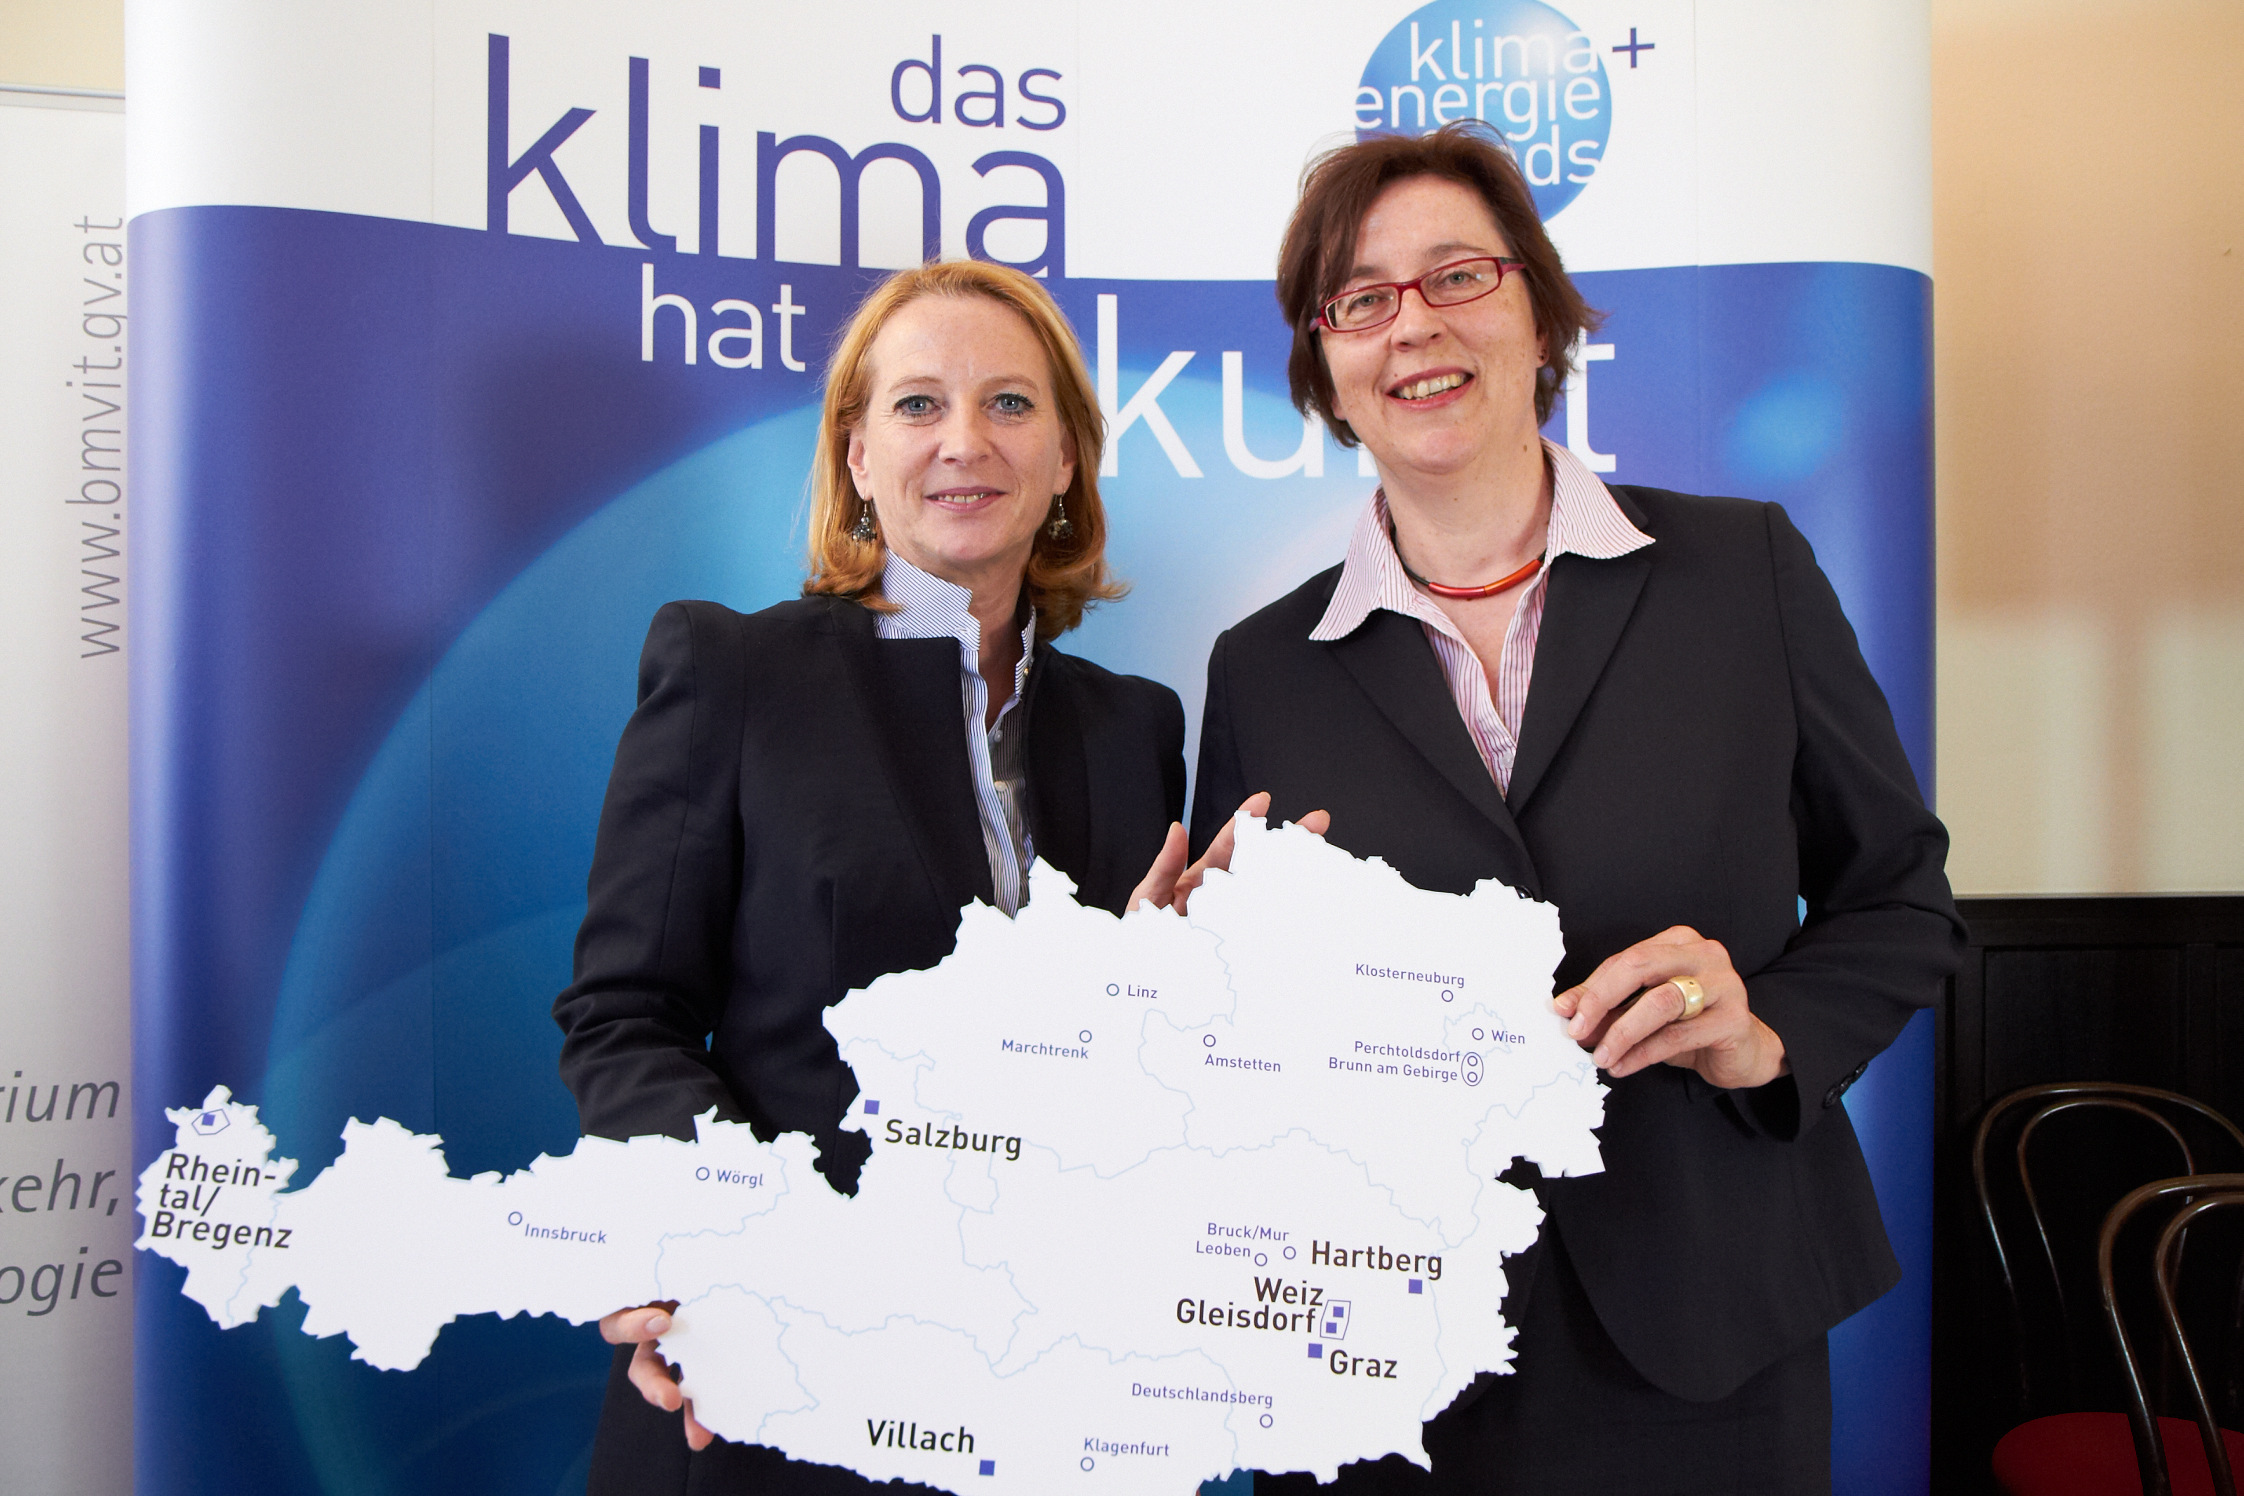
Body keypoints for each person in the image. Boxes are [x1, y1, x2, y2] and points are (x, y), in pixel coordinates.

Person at [1184, 121, 1966, 1495]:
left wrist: (1764, 1033)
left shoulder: (1742, 570)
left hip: (1708, 1324)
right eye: (1361, 299)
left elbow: (1901, 897)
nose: (1413, 324)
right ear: (1328, 370)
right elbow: (1242, 1026)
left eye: (1458, 276)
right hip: (1384, 1350)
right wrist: (1192, 976)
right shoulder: (1262, 667)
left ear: (1539, 314)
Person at [553, 259, 1189, 1494]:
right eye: (917, 404)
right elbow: (624, 1017)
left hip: (1046, 1405)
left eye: (1011, 403)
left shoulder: (1136, 728)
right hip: (778, 1401)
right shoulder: (734, 673)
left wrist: (1188, 992)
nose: (965, 441)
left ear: (1067, 458)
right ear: (856, 454)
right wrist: (730, 1239)